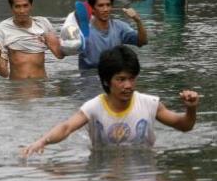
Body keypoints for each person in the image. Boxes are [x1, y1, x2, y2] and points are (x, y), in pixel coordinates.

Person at [21, 45, 199, 157]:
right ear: (106, 81)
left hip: (144, 167)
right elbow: (67, 127)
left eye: (131, 78)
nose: (128, 85)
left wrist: (191, 109)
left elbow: (184, 126)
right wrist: (42, 141)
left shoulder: (149, 103)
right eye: (121, 79)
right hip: (103, 168)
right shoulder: (93, 107)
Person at [0, 0, 63, 80]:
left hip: (41, 86)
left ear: (31, 6)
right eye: (17, 6)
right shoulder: (2, 29)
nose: (22, 11)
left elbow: (59, 55)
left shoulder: (43, 24)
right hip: (17, 88)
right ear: (11, 8)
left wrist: (51, 41)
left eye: (25, 6)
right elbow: (4, 71)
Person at [79, 0, 147, 69]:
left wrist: (138, 21)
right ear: (92, 8)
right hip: (89, 77)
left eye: (108, 5)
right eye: (101, 5)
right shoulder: (82, 31)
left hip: (113, 77)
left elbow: (142, 42)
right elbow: (63, 51)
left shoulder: (120, 27)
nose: (106, 9)